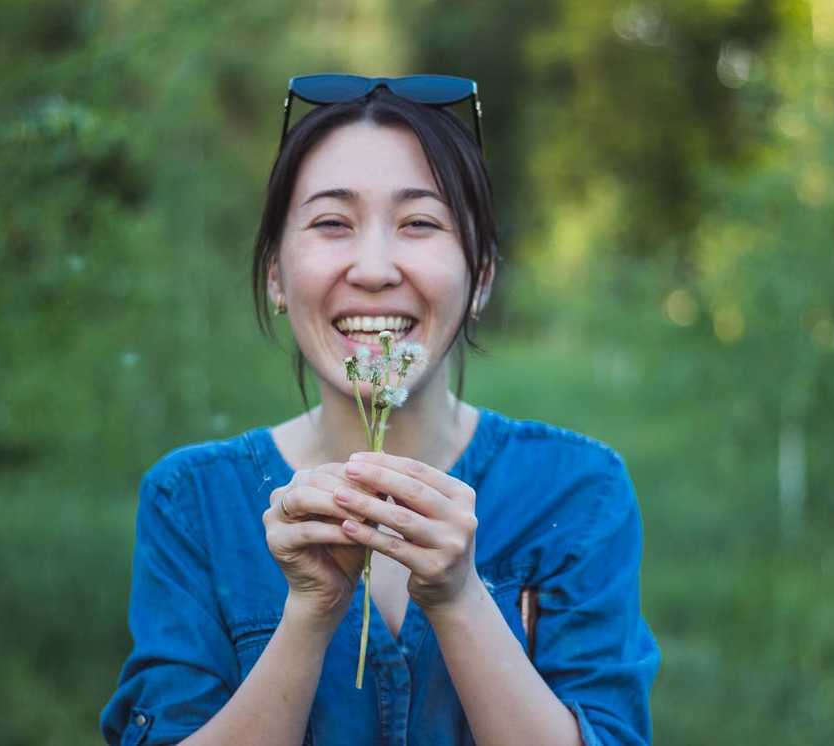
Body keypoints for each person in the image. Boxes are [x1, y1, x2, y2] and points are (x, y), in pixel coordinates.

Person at [101, 74, 660, 746]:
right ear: (277, 274)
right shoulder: (190, 501)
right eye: (332, 223)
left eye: (420, 223)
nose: (373, 268)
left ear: (480, 275)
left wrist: (458, 598)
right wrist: (312, 611)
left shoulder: (578, 491)